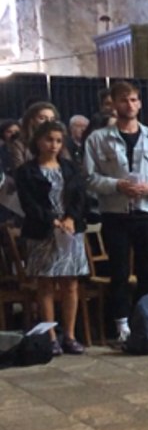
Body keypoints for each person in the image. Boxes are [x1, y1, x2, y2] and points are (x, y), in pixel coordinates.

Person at [83, 80, 148, 343]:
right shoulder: (98, 139)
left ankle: (146, 320)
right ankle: (121, 325)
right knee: (119, 271)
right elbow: (89, 179)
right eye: (124, 100)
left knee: (147, 271)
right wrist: (117, 185)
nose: (130, 105)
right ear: (113, 104)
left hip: (147, 212)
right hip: (115, 214)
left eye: (135, 100)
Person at [13, 121, 89, 355]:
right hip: (42, 232)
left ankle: (69, 335)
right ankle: (51, 336)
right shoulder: (27, 171)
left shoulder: (70, 168)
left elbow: (79, 197)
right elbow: (29, 203)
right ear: (38, 141)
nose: (54, 145)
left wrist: (70, 218)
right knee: (45, 284)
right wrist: (50, 220)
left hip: (69, 231)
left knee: (70, 284)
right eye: (49, 140)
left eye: (58, 140)